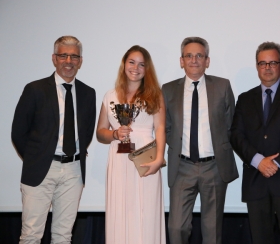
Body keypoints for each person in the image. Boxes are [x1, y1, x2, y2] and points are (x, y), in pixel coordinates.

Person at [11, 36, 96, 243]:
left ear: (80, 60)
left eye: (74, 56)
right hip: (41, 169)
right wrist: (36, 158)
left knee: (63, 235)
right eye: (63, 55)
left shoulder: (88, 93)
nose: (69, 61)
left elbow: (86, 132)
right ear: (54, 58)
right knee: (31, 234)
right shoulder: (35, 89)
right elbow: (18, 133)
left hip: (73, 171)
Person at [162, 37, 238, 244]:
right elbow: (166, 127)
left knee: (212, 231)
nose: (194, 60)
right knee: (176, 227)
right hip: (182, 167)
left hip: (214, 166)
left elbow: (232, 123)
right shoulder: (168, 90)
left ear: (207, 61)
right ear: (181, 61)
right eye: (189, 56)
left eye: (199, 55)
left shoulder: (222, 86)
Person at [230, 42, 280, 244]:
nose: (267, 67)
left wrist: (276, 163)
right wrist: (258, 161)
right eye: (262, 63)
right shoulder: (245, 99)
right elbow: (236, 135)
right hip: (256, 182)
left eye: (273, 62)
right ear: (257, 67)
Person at [96, 45, 166, 244]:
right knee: (120, 211)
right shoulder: (110, 96)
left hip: (145, 159)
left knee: (146, 213)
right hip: (118, 160)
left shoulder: (155, 95)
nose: (136, 68)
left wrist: (159, 159)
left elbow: (160, 128)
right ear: (124, 64)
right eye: (132, 62)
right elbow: (100, 133)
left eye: (142, 64)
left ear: (147, 69)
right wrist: (115, 133)